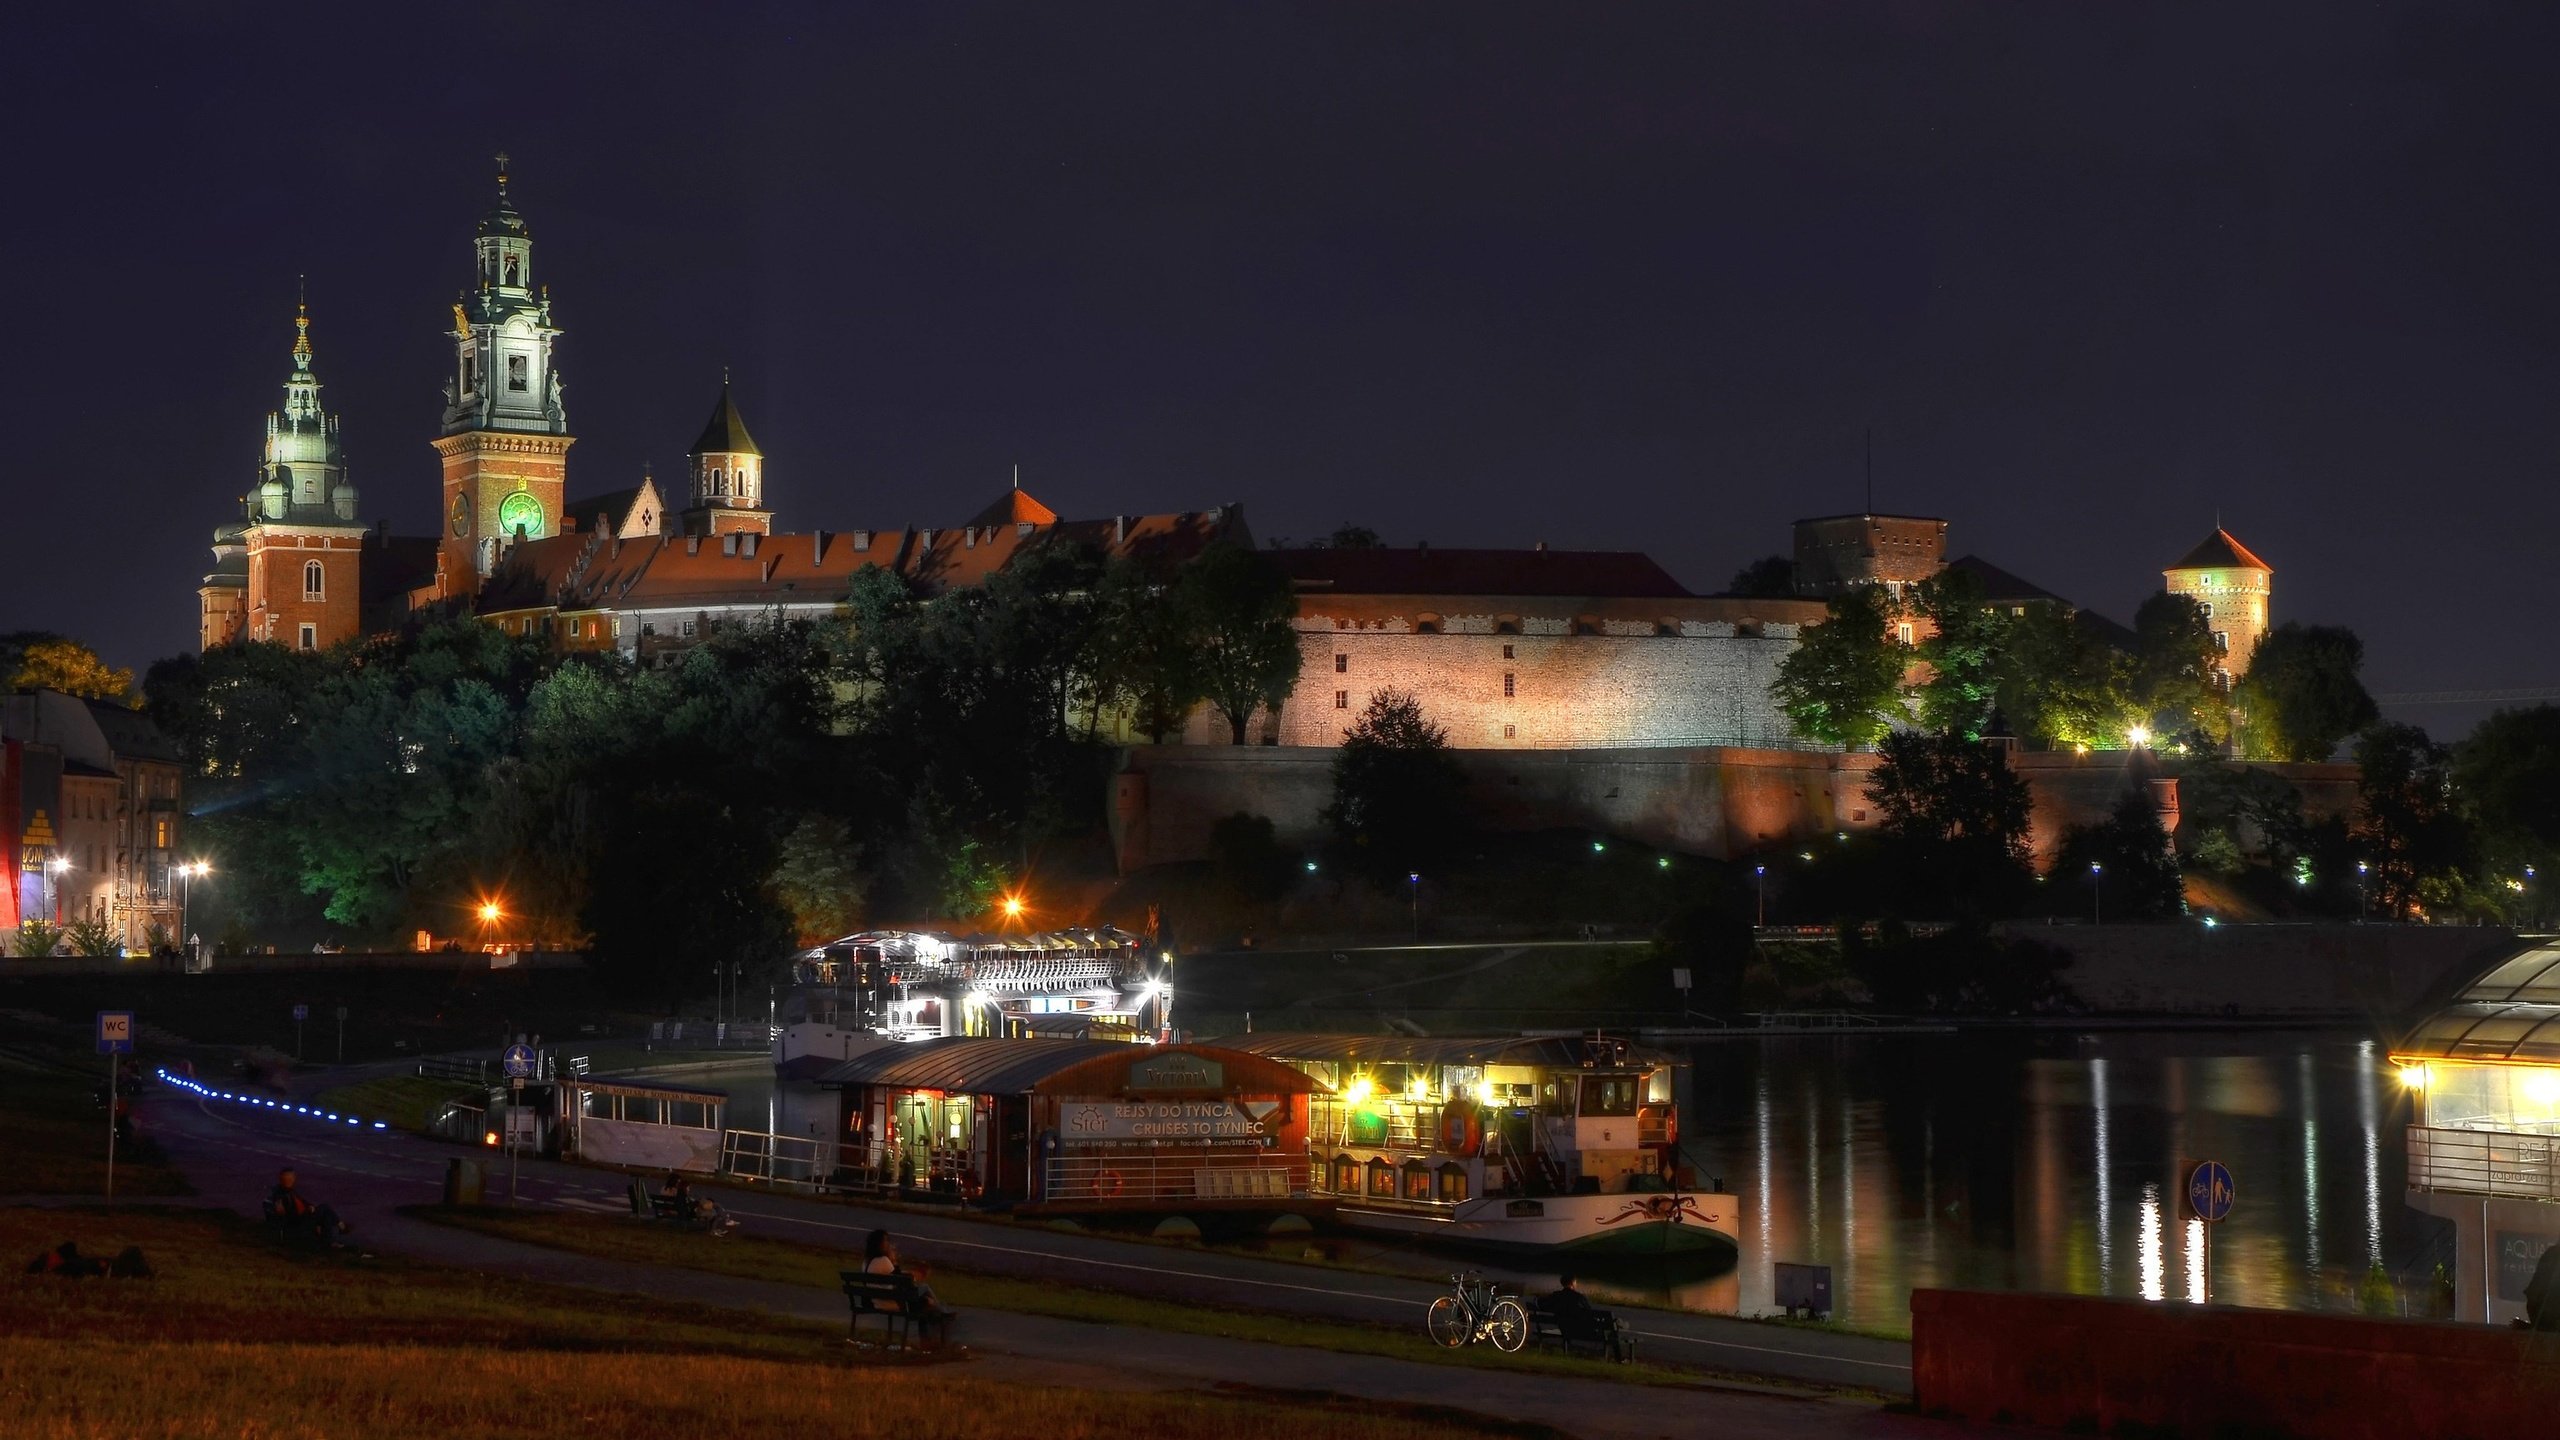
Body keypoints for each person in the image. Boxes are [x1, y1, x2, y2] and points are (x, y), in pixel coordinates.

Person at [863, 1228, 957, 1343]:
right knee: (926, 1296)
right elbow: (901, 1280)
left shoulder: (867, 1262)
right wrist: (893, 1260)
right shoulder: (883, 1260)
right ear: (879, 1244)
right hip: (890, 1303)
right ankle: (939, 1317)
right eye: (886, 1241)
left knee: (925, 1301)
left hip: (877, 1301)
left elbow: (895, 1277)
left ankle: (938, 1313)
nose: (888, 1244)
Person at [264, 1168, 349, 1247]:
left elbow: (302, 1202)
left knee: (325, 1213)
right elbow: (289, 1213)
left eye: (291, 1178)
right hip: (298, 1223)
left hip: (300, 1219)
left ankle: (330, 1238)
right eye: (289, 1178)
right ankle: (339, 1228)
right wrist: (307, 1212)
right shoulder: (282, 1194)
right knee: (324, 1208)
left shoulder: (288, 1191)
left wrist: (309, 1207)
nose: (292, 1180)